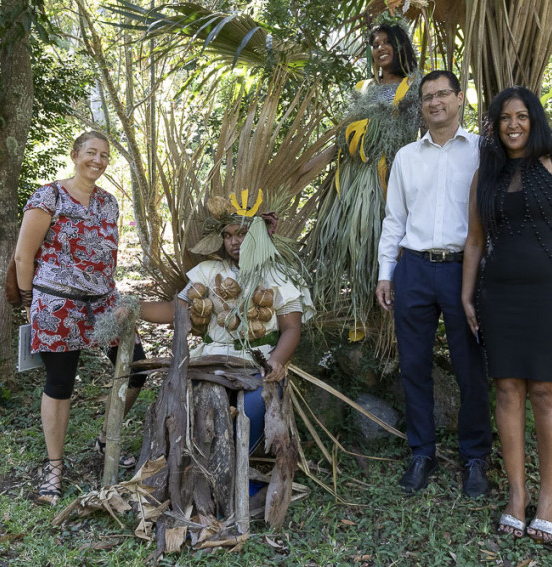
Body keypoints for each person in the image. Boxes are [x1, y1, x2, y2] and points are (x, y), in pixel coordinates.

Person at [461, 87, 552, 542]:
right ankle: (517, 496)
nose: (513, 125)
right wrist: (467, 297)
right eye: (504, 118)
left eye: (521, 116)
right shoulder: (486, 174)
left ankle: (549, 496)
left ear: (533, 120)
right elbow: (476, 241)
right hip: (498, 294)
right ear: (495, 126)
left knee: (545, 391)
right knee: (506, 390)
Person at [376, 70, 492, 497]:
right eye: (427, 97)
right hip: (416, 269)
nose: (434, 102)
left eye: (443, 94)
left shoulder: (483, 151)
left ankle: (476, 457)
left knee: (470, 367)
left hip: (466, 270)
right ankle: (422, 453)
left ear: (460, 99)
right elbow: (395, 220)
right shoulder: (407, 156)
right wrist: (386, 273)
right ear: (420, 106)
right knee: (414, 367)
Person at [14, 131, 146, 506]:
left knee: (137, 368)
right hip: (57, 304)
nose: (98, 160)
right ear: (75, 155)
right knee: (60, 383)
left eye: (105, 155)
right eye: (91, 152)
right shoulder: (48, 196)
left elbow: (107, 257)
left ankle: (106, 439)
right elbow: (24, 257)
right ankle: (54, 468)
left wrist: (114, 295)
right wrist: (30, 304)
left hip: (104, 303)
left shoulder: (109, 203)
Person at [133, 196, 313, 452]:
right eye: (228, 236)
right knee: (185, 404)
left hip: (257, 361)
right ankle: (191, 465)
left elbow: (292, 328)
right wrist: (133, 307)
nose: (234, 241)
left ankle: (241, 466)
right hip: (210, 358)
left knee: (251, 410)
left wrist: (278, 360)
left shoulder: (278, 275)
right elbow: (176, 311)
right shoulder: (208, 271)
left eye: (242, 233)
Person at [308, 22, 421, 331]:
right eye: (375, 44)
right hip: (351, 178)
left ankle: (385, 324)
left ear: (401, 47)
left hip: (386, 179)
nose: (380, 48)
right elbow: (345, 131)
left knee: (381, 245)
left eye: (387, 42)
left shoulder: (414, 86)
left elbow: (415, 134)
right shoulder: (363, 88)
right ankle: (351, 315)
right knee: (346, 246)